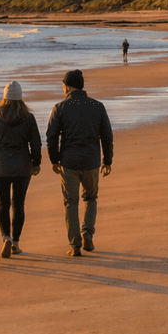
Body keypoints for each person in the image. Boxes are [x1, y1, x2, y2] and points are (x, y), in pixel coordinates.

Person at [45, 70, 113, 256]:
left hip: (69, 162)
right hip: (91, 161)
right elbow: (107, 136)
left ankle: (75, 244)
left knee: (71, 202)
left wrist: (54, 159)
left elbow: (51, 137)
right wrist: (107, 160)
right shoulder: (97, 106)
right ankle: (87, 233)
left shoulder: (60, 107)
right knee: (90, 198)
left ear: (66, 86)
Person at [0, 81, 42, 258]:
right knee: (18, 204)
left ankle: (5, 237)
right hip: (23, 165)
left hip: (1, 166)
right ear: (20, 97)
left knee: (3, 204)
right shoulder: (29, 118)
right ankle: (15, 242)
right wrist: (36, 163)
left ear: (4, 97)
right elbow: (35, 143)